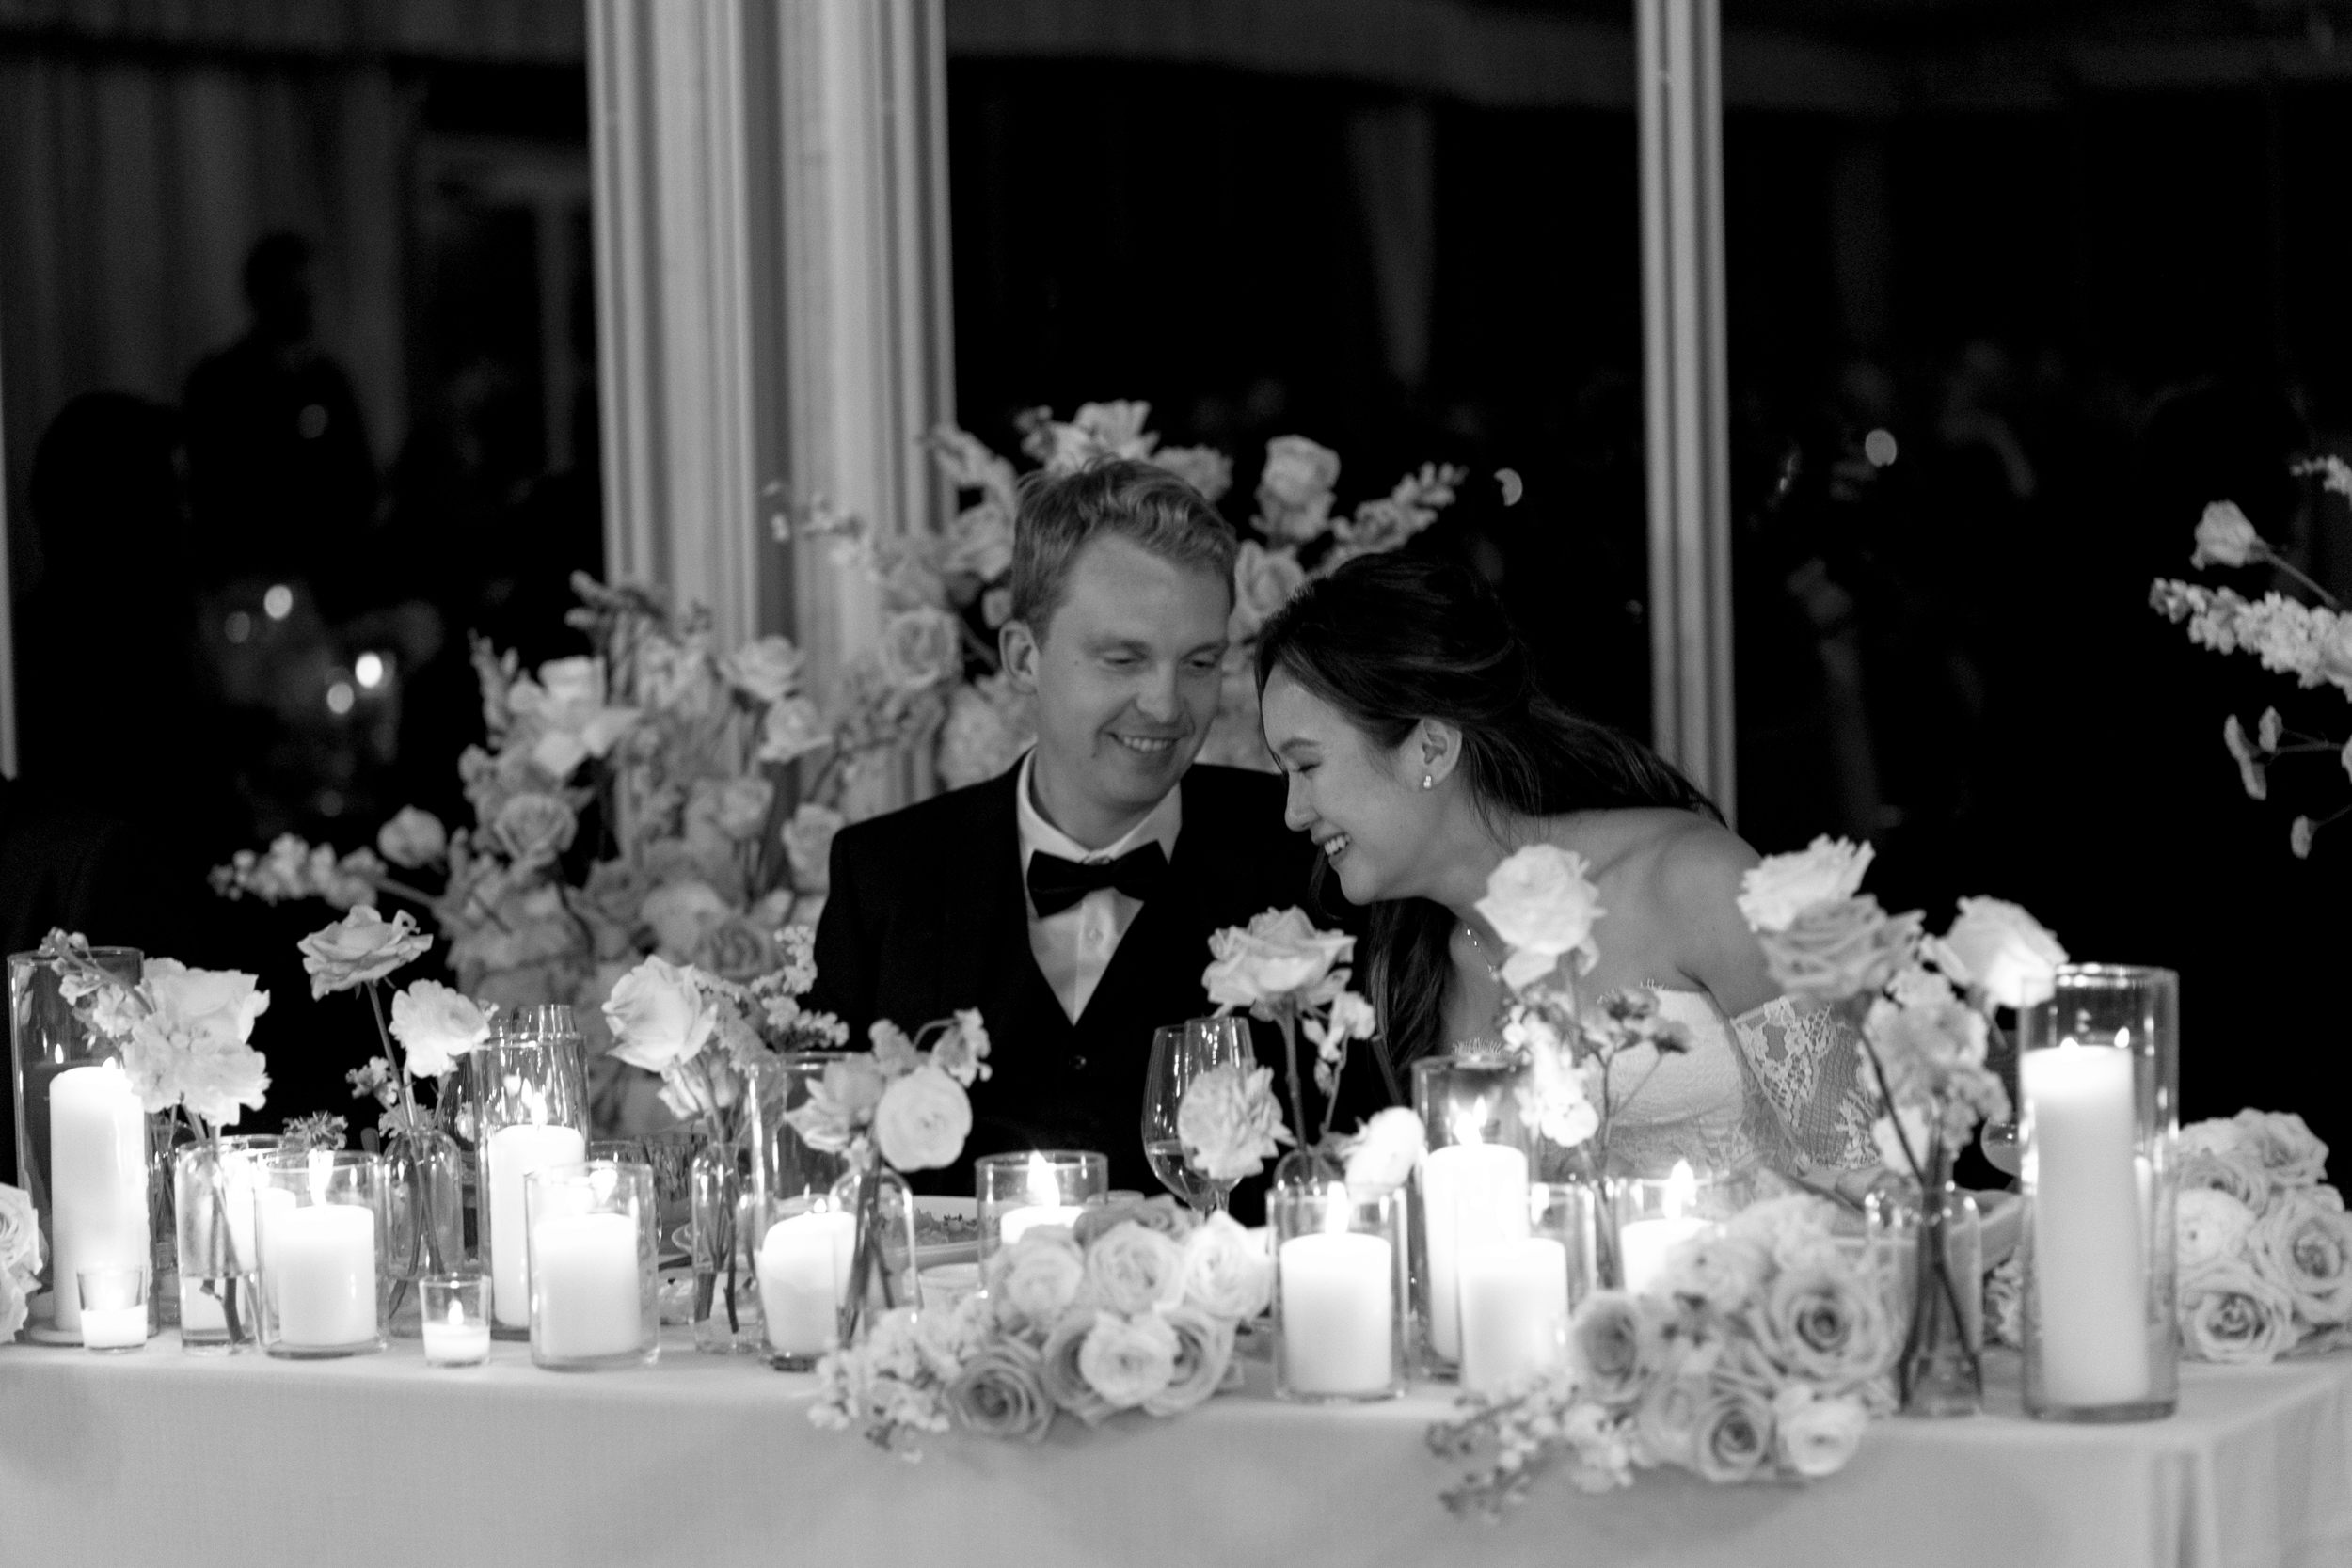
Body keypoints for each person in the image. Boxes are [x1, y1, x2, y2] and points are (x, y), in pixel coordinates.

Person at [1253, 552, 1877, 1187]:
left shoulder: (1695, 879)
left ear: (1432, 747)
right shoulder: (1412, 971)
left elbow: (1875, 1182)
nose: (1293, 814)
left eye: (1307, 767)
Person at [809, 460, 1329, 1202]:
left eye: (1200, 662)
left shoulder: (1300, 848)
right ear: (1024, 656)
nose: (1165, 704)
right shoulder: (884, 875)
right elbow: (826, 1182)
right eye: (1124, 659)